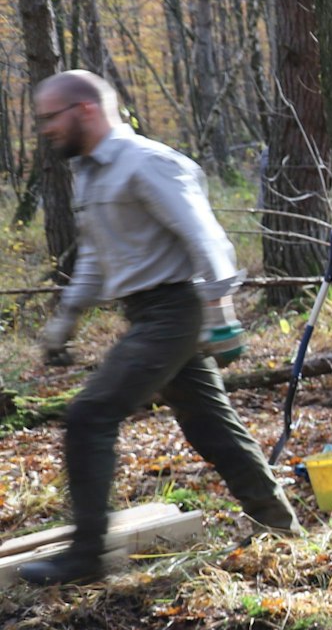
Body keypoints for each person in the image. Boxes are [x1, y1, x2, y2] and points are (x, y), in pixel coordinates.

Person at [24, 70, 297, 586]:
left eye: (49, 118)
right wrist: (65, 322)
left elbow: (206, 239)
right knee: (209, 426)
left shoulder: (148, 162)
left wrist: (222, 319)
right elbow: (96, 260)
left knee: (89, 415)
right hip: (146, 311)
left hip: (175, 310)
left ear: (84, 109)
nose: (45, 130)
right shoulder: (92, 173)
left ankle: (85, 558)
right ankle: (281, 527)